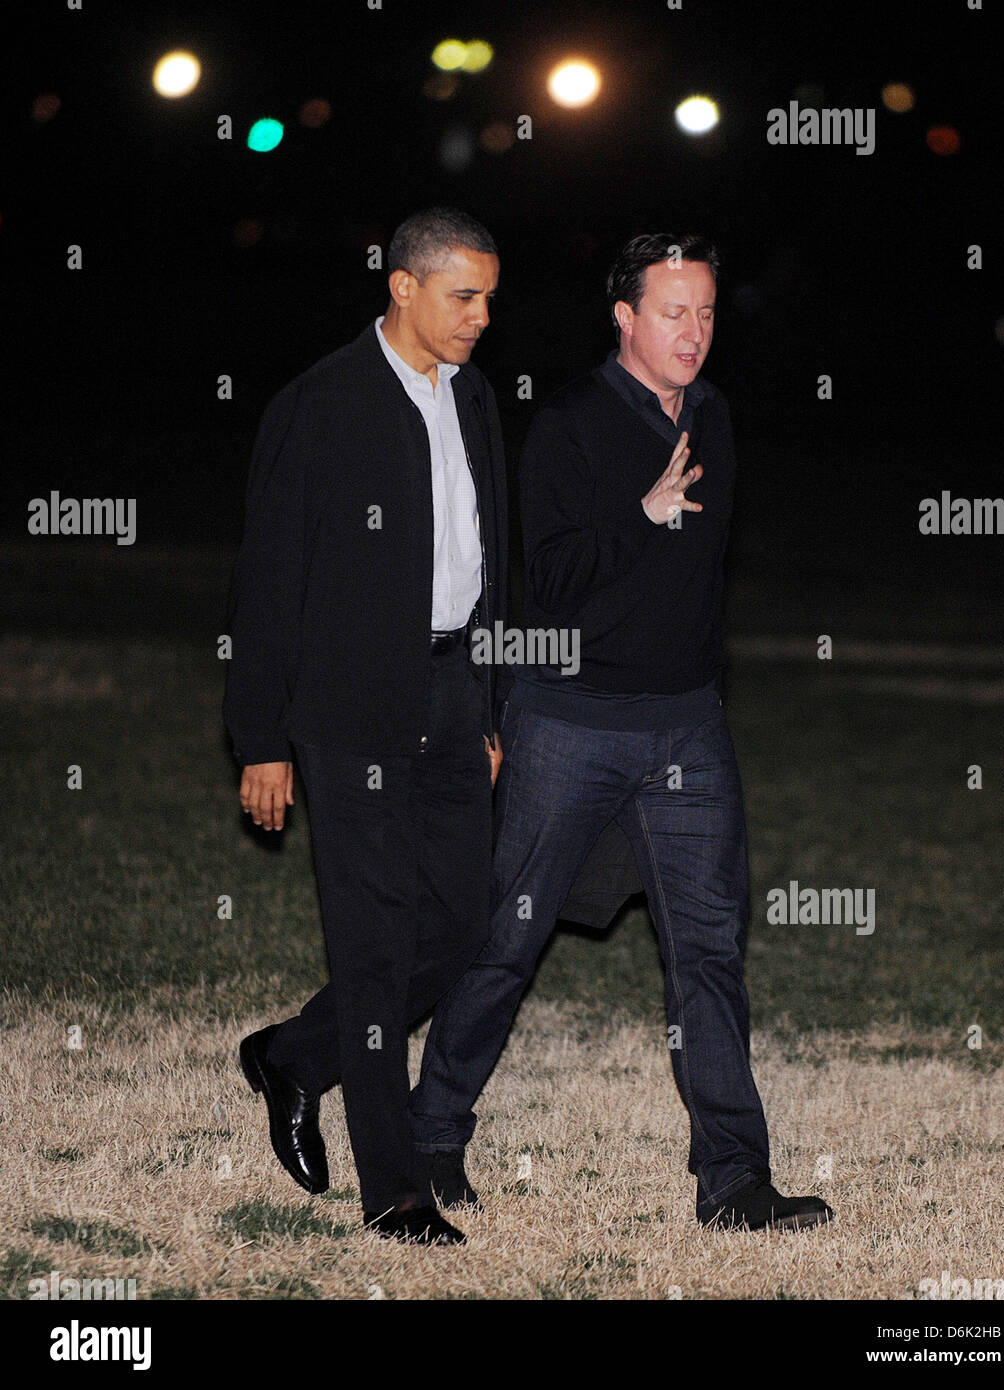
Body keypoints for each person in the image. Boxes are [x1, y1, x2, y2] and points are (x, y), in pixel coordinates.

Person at [409, 232, 835, 1232]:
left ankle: (733, 1181)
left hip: (687, 727)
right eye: (672, 312)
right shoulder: (568, 426)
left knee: (709, 953)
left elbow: (704, 575)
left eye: (706, 312)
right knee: (505, 939)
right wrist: (641, 514)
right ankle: (429, 1139)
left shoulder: (716, 418)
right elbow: (544, 584)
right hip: (570, 722)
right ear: (624, 317)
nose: (693, 333)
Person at [223, 207, 506, 1245]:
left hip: (451, 689)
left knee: (463, 928)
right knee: (376, 941)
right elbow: (267, 580)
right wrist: (260, 734)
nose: (481, 316)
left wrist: (489, 706)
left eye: (487, 296)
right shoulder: (323, 403)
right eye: (462, 295)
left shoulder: (471, 397)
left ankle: (296, 1055)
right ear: (402, 286)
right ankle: (394, 1190)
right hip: (349, 710)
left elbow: (490, 563)